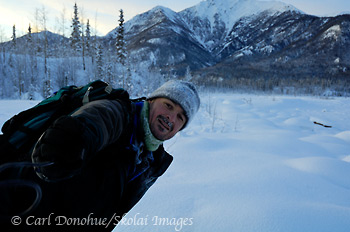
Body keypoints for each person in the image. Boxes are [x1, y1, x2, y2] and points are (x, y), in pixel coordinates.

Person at [0, 80, 200, 231]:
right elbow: (96, 121)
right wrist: (72, 138)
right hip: (19, 207)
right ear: (151, 100)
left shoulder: (151, 159)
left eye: (180, 117)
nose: (170, 118)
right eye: (168, 105)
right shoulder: (119, 113)